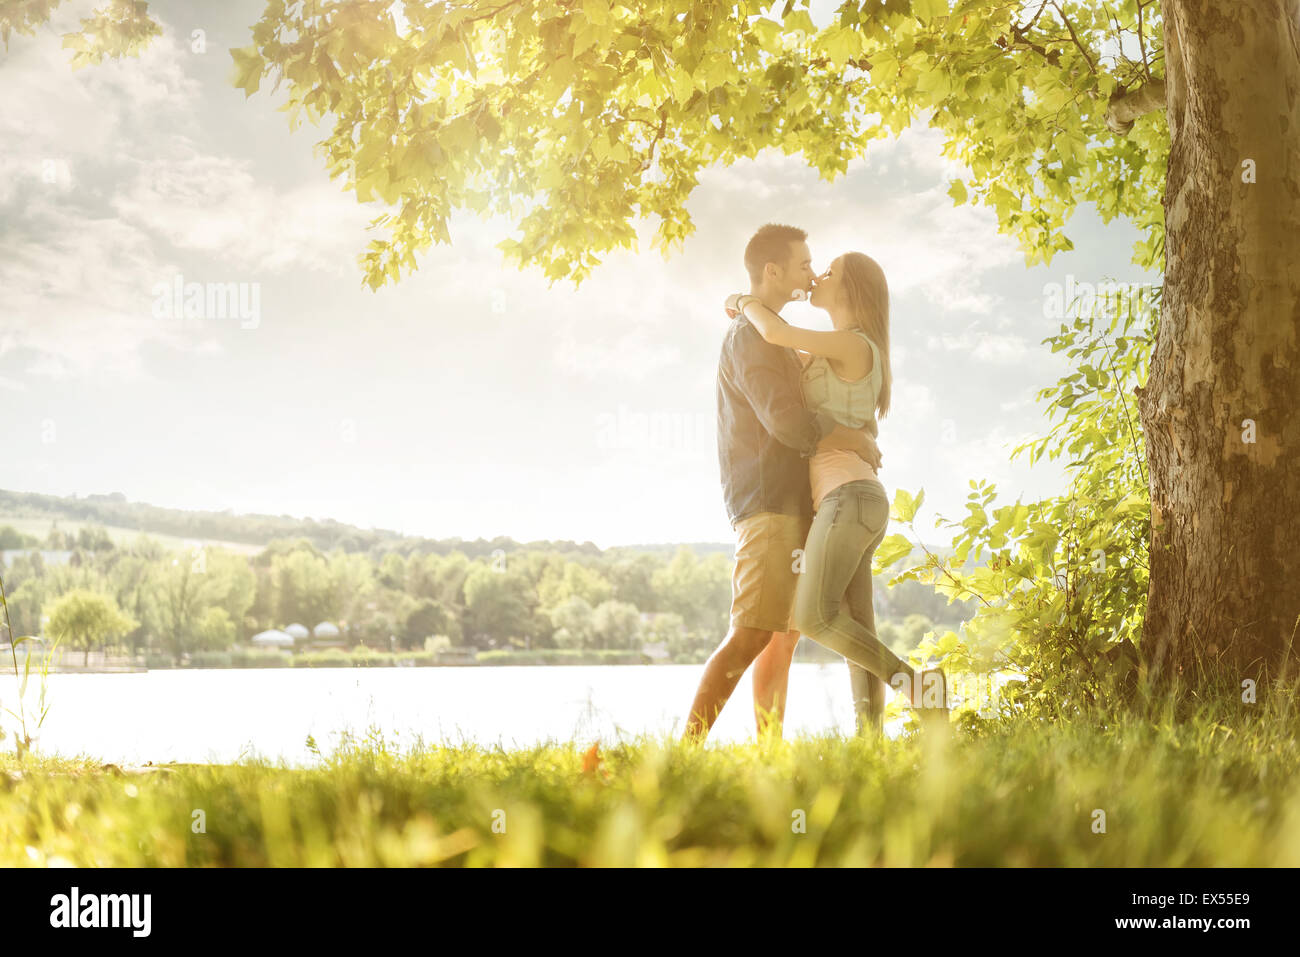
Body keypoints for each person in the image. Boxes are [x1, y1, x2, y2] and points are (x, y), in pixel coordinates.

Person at [727, 250, 950, 735]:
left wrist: (743, 300)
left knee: (812, 617)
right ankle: (870, 745)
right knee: (856, 629)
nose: (817, 276)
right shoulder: (835, 351)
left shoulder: (855, 345)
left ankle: (920, 689)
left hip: (848, 499)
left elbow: (777, 334)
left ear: (850, 291)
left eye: (828, 272)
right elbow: (785, 357)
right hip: (852, 500)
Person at [682, 224, 882, 745]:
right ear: (772, 272)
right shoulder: (750, 337)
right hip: (767, 502)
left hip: (800, 501)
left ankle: (769, 755)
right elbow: (787, 423)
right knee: (751, 631)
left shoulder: (775, 334)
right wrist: (849, 437)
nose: (811, 274)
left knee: (782, 638)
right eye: (802, 265)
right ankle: (685, 751)